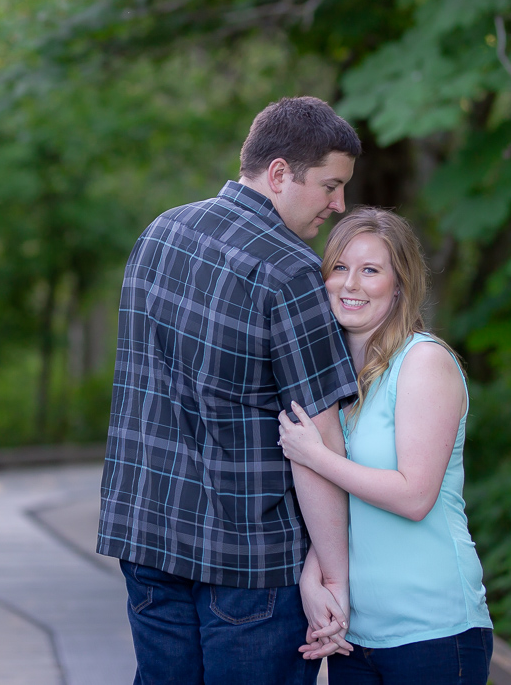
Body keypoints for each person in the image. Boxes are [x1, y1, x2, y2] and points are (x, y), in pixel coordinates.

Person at [98, 95, 363, 685]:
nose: (339, 205)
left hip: (145, 536)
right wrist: (335, 576)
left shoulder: (159, 232)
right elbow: (318, 437)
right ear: (278, 174)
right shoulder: (290, 270)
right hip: (246, 559)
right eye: (329, 186)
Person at [277, 207, 493, 685]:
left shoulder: (423, 362)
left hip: (433, 632)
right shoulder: (334, 382)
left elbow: (414, 496)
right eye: (339, 267)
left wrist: (316, 456)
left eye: (370, 270)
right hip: (357, 637)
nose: (350, 283)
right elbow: (350, 504)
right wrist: (315, 577)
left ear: (399, 285)